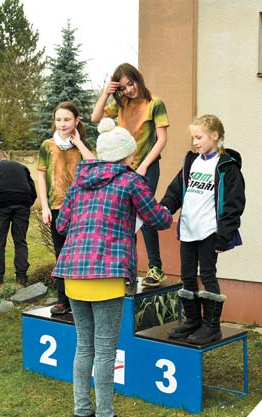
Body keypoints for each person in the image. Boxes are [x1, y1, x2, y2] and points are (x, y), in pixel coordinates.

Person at [52, 117, 173, 417]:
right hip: (107, 275)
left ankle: (82, 410)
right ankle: (105, 413)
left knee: (84, 347)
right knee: (105, 352)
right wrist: (168, 210)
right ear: (125, 155)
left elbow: (61, 224)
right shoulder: (130, 180)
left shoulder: (79, 183)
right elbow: (158, 219)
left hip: (73, 273)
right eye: (132, 153)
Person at [160, 114, 245, 345]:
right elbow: (176, 191)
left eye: (199, 137)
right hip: (188, 229)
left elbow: (234, 204)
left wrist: (224, 235)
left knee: (207, 275)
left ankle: (211, 326)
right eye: (193, 138)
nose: (195, 142)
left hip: (210, 232)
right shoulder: (191, 162)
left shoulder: (226, 166)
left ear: (215, 136)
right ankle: (193, 320)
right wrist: (165, 207)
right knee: (187, 275)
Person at [92, 63, 170, 288]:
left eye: (131, 83)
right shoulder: (121, 103)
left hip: (148, 166)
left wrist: (144, 165)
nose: (129, 90)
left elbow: (162, 139)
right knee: (126, 217)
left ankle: (156, 268)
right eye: (123, 87)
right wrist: (107, 92)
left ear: (139, 78)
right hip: (123, 167)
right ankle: (128, 268)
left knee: (145, 215)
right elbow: (96, 117)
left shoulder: (155, 103)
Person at [37, 102, 94, 315]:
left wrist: (78, 143)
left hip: (81, 209)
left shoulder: (81, 146)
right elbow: (41, 175)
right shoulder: (47, 145)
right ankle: (63, 299)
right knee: (61, 255)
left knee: (80, 254)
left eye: (67, 119)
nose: (62, 124)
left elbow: (93, 165)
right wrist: (44, 207)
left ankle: (82, 298)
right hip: (56, 208)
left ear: (77, 121)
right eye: (59, 119)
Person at [0, 150, 37, 287]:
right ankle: (21, 277)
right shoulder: (23, 168)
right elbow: (33, 191)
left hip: (1, 204)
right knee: (20, 241)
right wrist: (26, 204)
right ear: (6, 157)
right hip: (22, 203)